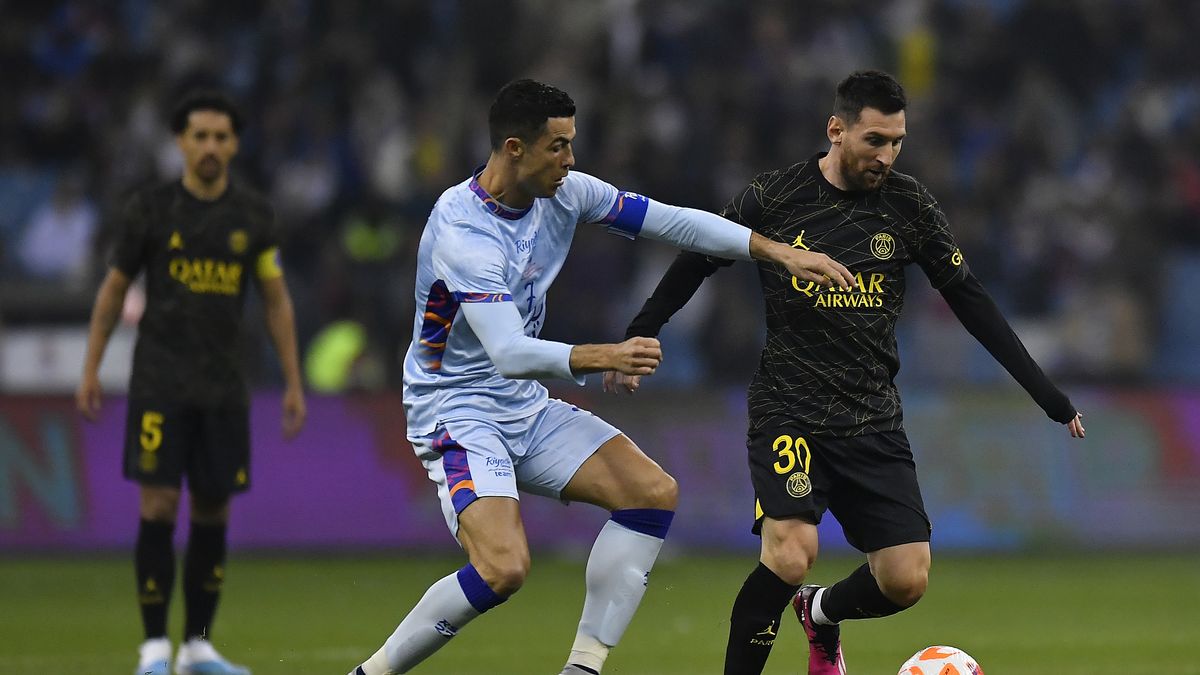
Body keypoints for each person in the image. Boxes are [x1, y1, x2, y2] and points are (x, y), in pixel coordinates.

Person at [347, 78, 853, 675]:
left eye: (571, 144)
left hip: (523, 405)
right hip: (456, 411)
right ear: (515, 148)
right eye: (557, 147)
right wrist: (605, 356)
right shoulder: (463, 233)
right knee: (502, 568)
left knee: (651, 494)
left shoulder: (567, 193)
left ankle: (582, 669)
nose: (570, 160)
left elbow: (675, 223)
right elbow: (508, 350)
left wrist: (781, 253)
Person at [608, 70, 1086, 675]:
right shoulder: (775, 196)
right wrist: (641, 327)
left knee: (906, 578)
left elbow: (969, 298)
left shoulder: (909, 206)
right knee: (790, 552)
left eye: (897, 142)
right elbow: (698, 257)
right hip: (789, 411)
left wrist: (1046, 394)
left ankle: (822, 614)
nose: (887, 156)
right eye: (875, 141)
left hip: (872, 418)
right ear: (836, 130)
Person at [76, 91, 307, 675]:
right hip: (160, 382)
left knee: (213, 511)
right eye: (198, 136)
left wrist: (293, 382)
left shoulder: (253, 216)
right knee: (157, 505)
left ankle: (197, 647)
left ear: (234, 144)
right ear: (180, 142)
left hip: (224, 388)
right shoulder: (150, 209)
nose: (210, 147)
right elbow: (112, 290)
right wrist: (90, 367)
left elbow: (276, 301)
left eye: (220, 137)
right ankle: (154, 648)